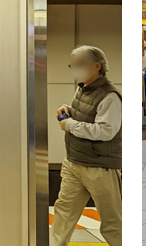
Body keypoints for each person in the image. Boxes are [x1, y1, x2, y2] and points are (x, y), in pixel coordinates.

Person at [52, 46, 122, 246]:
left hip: (99, 168)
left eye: (79, 64)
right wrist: (68, 110)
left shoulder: (110, 96)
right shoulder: (82, 87)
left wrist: (70, 125)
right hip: (74, 163)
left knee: (111, 221)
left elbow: (106, 131)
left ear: (96, 67)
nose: (74, 68)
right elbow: (87, 115)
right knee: (64, 211)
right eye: (72, 64)